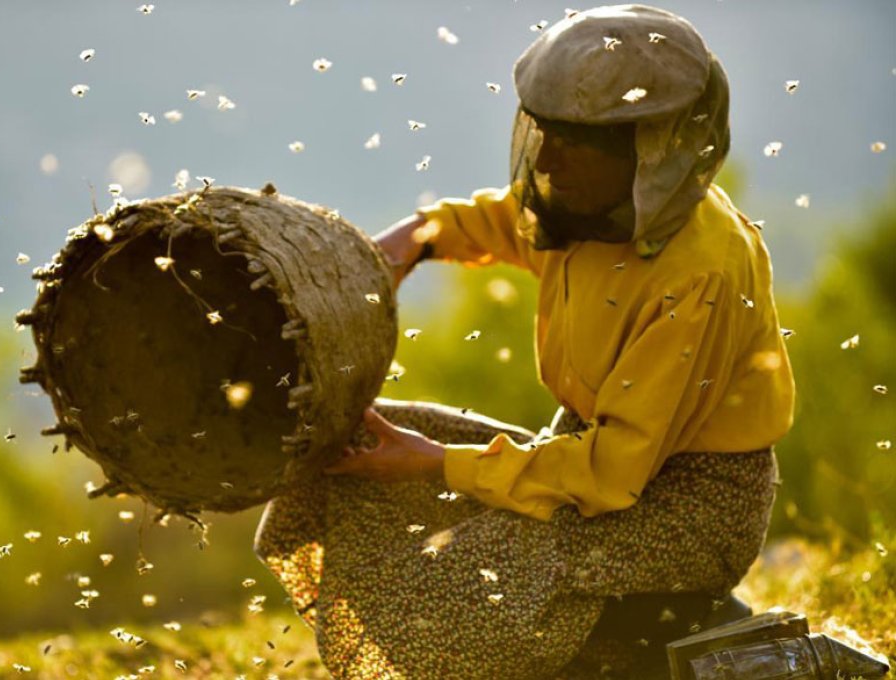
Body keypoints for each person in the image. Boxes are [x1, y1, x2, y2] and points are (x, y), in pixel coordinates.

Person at [255, 5, 795, 679]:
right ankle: (626, 640)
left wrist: (433, 464)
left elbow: (607, 474)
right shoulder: (588, 207)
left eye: (577, 140)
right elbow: (500, 220)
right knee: (365, 449)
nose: (549, 157)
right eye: (547, 131)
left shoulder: (700, 273)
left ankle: (671, 635)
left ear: (650, 145)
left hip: (688, 510)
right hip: (590, 464)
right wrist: (409, 244)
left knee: (461, 578)